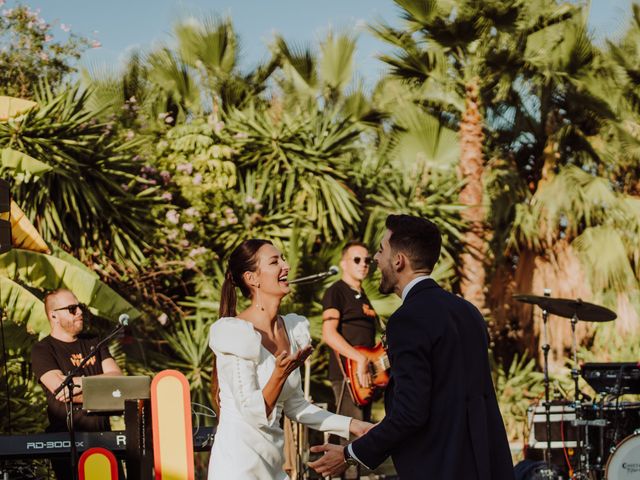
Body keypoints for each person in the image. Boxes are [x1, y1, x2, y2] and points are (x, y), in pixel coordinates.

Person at [309, 214, 514, 480]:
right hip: (485, 465)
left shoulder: (407, 319)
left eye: (381, 250)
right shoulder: (468, 312)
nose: (376, 259)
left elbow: (410, 413)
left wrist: (350, 454)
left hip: (440, 467)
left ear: (398, 260)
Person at [207, 239, 372, 480]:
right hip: (238, 466)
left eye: (283, 258)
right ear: (252, 279)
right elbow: (254, 414)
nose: (286, 265)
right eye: (275, 261)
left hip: (275, 466)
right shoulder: (234, 333)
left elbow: (296, 406)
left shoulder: (292, 329)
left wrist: (354, 425)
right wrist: (279, 374)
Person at [31, 288, 123, 480]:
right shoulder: (43, 349)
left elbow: (118, 381)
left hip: (104, 438)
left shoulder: (94, 342)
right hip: (67, 441)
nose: (80, 312)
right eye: (72, 309)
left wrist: (77, 384)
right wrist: (102, 390)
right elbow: (61, 388)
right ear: (54, 316)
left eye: (80, 307)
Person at [321, 241, 377, 478]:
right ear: (343, 263)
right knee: (350, 441)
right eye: (357, 259)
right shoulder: (337, 291)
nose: (363, 264)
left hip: (367, 378)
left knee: (362, 438)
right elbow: (328, 334)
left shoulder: (364, 296)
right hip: (348, 376)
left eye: (367, 260)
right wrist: (359, 359)